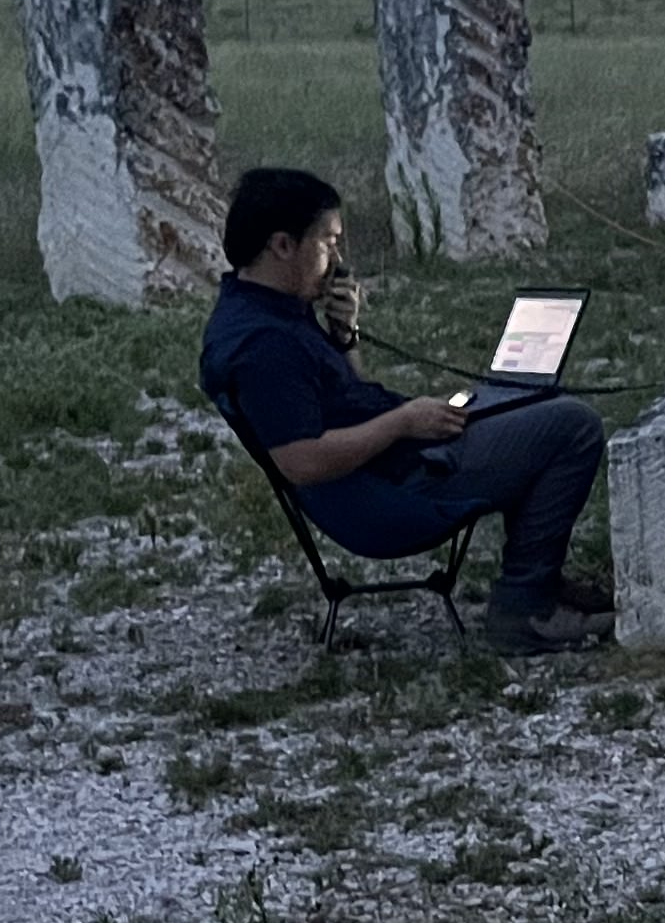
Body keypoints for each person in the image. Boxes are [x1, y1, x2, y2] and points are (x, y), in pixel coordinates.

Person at [199, 168, 611, 656]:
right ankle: (523, 609)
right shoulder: (262, 345)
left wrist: (344, 334)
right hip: (398, 487)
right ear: (283, 245)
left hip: (398, 461)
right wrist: (402, 422)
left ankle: (541, 581)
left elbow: (344, 399)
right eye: (328, 244)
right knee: (573, 426)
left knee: (534, 403)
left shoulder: (268, 312)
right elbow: (303, 460)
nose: (338, 260)